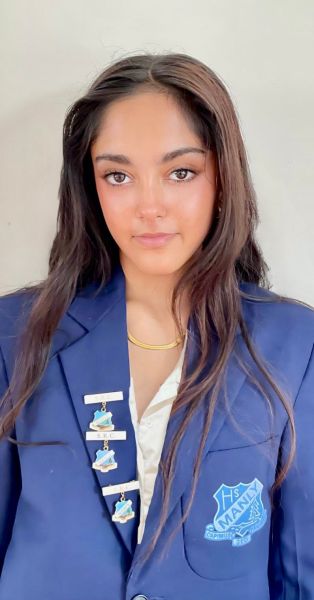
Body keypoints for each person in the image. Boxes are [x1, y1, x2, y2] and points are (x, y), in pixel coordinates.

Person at [0, 52, 313, 600]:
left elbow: (301, 570)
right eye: (118, 175)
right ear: (90, 187)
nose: (149, 205)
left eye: (180, 172)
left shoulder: (293, 344)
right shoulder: (17, 333)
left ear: (223, 177)